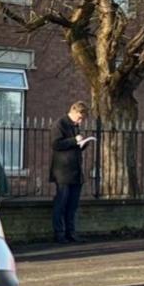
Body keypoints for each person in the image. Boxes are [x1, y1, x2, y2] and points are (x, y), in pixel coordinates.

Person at [50, 101, 93, 243]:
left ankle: (71, 232)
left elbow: (74, 146)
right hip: (62, 171)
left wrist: (83, 143)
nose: (80, 121)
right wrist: (74, 140)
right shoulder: (60, 124)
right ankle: (59, 234)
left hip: (75, 171)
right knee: (61, 203)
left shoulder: (75, 126)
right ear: (73, 112)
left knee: (73, 205)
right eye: (79, 118)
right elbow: (56, 144)